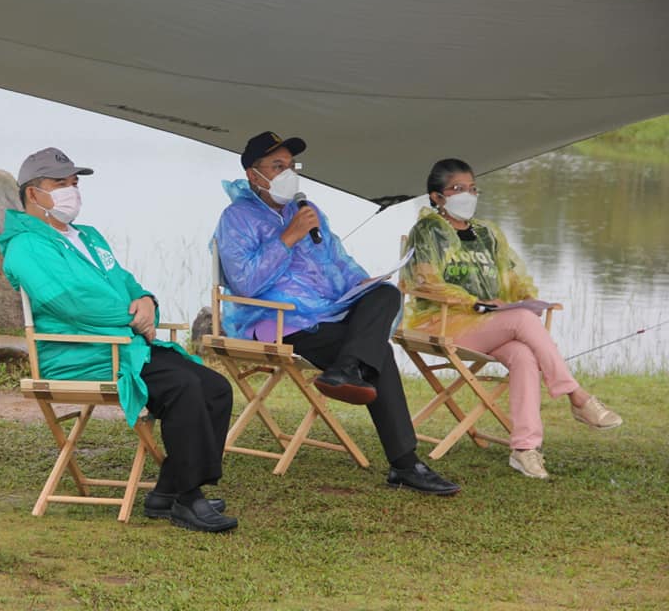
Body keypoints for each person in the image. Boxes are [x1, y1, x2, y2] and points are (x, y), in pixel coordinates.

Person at [0, 147, 237, 531]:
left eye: (74, 183)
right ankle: (188, 499)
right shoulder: (26, 245)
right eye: (60, 183)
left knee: (215, 388)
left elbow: (126, 282)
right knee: (183, 386)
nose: (72, 191)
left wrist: (147, 301)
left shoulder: (88, 236)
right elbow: (71, 302)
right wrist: (133, 319)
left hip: (124, 347)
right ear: (32, 193)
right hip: (80, 355)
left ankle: (168, 490)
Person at [213, 131, 460, 496]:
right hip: (280, 321)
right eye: (277, 166)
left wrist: (362, 282)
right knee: (379, 353)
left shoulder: (307, 211)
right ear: (253, 174)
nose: (288, 174)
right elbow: (246, 283)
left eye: (291, 166)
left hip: (328, 311)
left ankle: (346, 369)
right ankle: (405, 463)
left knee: (385, 294)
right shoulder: (236, 218)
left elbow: (338, 262)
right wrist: (287, 238)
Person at [401, 158, 623, 479]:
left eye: (472, 188)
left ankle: (524, 449)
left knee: (523, 354)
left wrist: (528, 298)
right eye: (458, 189)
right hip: (441, 322)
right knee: (521, 320)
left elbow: (512, 275)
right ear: (437, 197)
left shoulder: (487, 233)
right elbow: (425, 283)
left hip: (486, 324)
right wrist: (474, 301)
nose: (468, 195)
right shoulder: (428, 231)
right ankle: (576, 396)